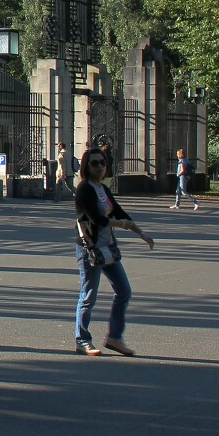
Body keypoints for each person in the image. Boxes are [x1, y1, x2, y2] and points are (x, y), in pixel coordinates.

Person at [74, 146, 155, 357]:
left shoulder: (103, 188)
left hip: (107, 247)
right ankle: (82, 340)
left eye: (103, 163)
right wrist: (122, 225)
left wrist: (141, 233)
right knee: (89, 295)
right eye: (95, 163)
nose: (100, 167)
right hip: (89, 248)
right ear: (86, 166)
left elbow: (119, 211)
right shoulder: (84, 189)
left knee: (124, 291)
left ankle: (114, 338)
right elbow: (96, 219)